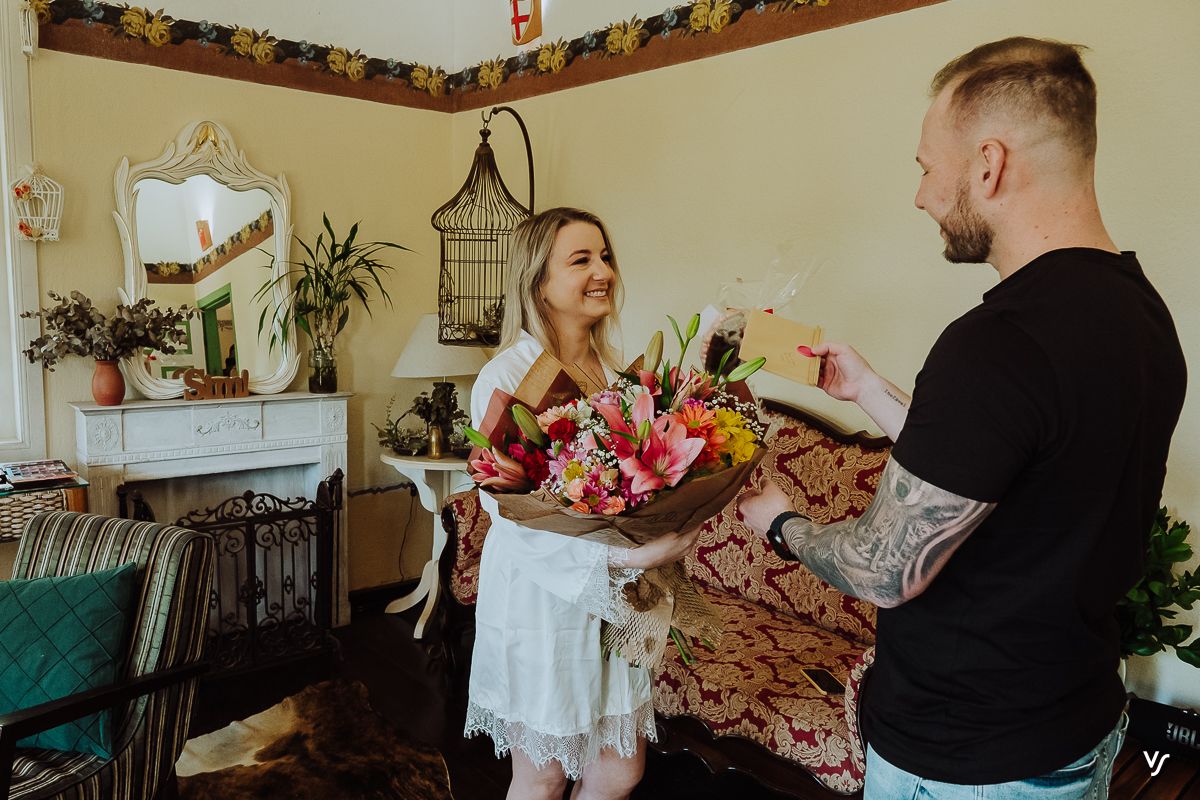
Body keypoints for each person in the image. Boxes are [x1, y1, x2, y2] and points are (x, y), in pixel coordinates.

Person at [737, 37, 1186, 799]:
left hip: (967, 758)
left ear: (988, 164)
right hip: (1074, 723)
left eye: (924, 166)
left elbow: (885, 569)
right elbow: (1005, 469)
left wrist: (783, 525)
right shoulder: (1143, 314)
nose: (920, 195)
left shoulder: (997, 343)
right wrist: (873, 392)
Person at [465, 207, 701, 800]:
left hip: (618, 603)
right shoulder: (508, 379)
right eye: (581, 260)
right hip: (540, 600)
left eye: (605, 256)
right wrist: (627, 561)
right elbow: (510, 517)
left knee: (621, 768)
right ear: (537, 282)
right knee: (542, 774)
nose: (603, 270)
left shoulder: (619, 376)